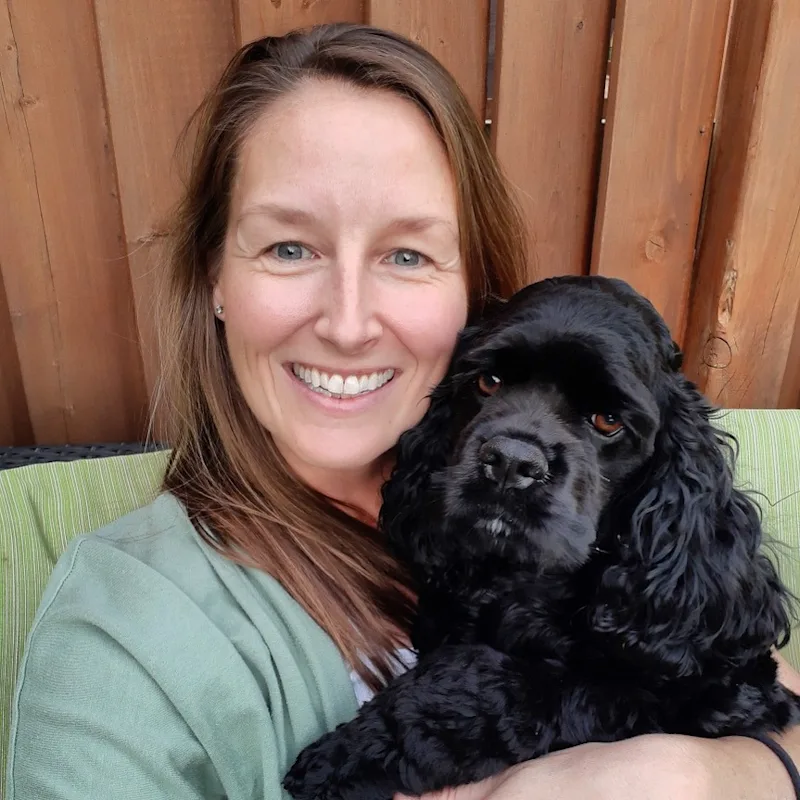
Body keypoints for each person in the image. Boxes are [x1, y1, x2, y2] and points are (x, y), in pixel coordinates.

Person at [6, 22, 800, 800]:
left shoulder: (622, 534)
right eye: (289, 247)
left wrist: (722, 773)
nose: (347, 323)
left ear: (471, 292)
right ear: (214, 273)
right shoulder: (119, 639)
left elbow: (754, 687)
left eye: (407, 254)